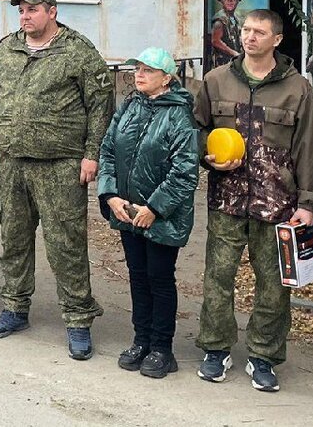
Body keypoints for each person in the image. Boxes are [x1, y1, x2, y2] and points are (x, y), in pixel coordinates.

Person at [194, 8, 313, 392]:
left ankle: (264, 356)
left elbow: (308, 148)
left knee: (274, 285)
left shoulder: (297, 88)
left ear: (277, 40)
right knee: (218, 279)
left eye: (259, 32)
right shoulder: (216, 81)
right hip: (226, 202)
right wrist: (208, 155)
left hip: (278, 204)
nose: (249, 37)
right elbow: (197, 129)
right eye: (247, 30)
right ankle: (215, 349)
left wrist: (308, 202)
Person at [0, 0, 113, 360]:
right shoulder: (8, 48)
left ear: (51, 12)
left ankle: (77, 319)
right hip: (11, 161)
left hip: (61, 163)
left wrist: (92, 154)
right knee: (14, 238)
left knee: (66, 244)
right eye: (22, 10)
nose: (26, 16)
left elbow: (101, 104)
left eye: (33, 9)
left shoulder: (77, 50)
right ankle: (15, 307)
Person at [97, 47, 199, 378]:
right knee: (137, 276)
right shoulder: (129, 107)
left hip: (161, 217)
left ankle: (161, 348)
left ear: (167, 78)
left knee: (159, 278)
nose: (138, 74)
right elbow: (108, 150)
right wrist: (110, 194)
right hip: (127, 212)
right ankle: (141, 341)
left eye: (148, 70)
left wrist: (154, 208)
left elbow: (185, 171)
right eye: (137, 68)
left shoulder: (180, 115)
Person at [210, 0, 244, 69]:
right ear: (222, 1)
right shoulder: (219, 20)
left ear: (238, 1)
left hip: (234, 62)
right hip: (222, 63)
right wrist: (235, 54)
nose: (230, 1)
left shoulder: (236, 18)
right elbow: (215, 41)